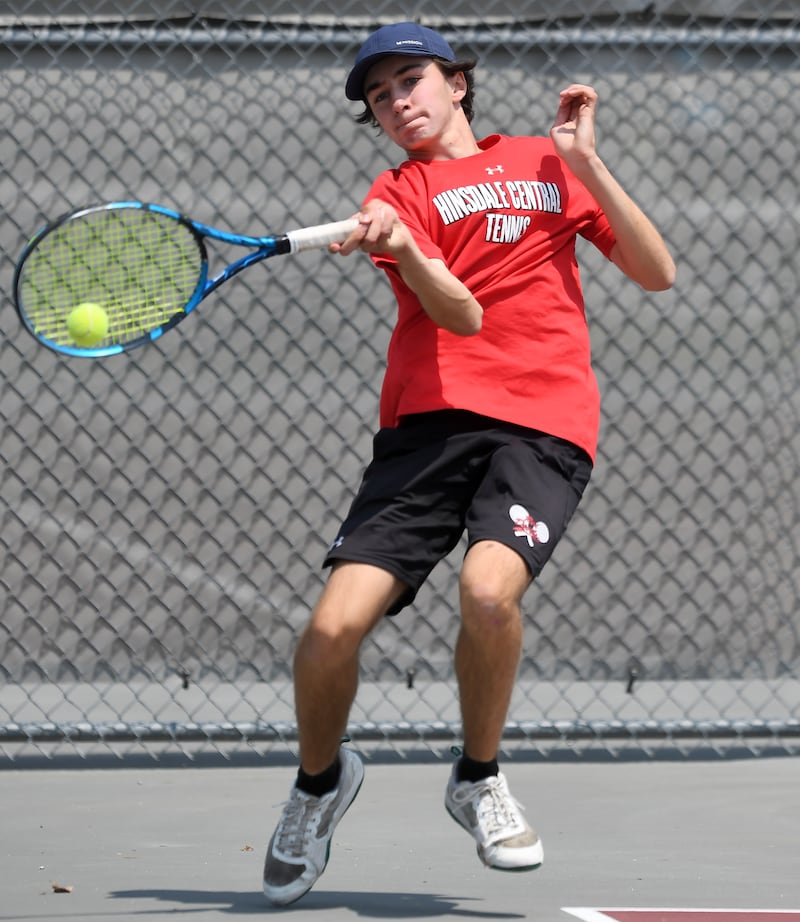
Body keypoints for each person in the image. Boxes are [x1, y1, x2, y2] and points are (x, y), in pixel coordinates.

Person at [262, 21, 676, 906]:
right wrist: (404, 246)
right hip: (424, 432)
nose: (397, 103)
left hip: (542, 425)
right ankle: (317, 786)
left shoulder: (542, 161)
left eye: (411, 80)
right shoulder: (396, 193)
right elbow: (459, 318)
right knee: (332, 630)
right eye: (379, 97)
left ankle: (478, 777)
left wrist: (589, 164)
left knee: (489, 592)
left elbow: (657, 271)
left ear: (457, 82)